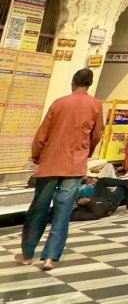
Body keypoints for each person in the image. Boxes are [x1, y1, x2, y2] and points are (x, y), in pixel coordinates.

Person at [18, 67, 105, 271]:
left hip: (51, 161)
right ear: (89, 84)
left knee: (39, 208)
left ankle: (27, 254)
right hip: (75, 164)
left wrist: (36, 154)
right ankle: (50, 258)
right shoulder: (96, 105)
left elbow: (43, 133)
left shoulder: (60, 103)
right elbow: (96, 135)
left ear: (73, 82)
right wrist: (86, 152)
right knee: (63, 211)